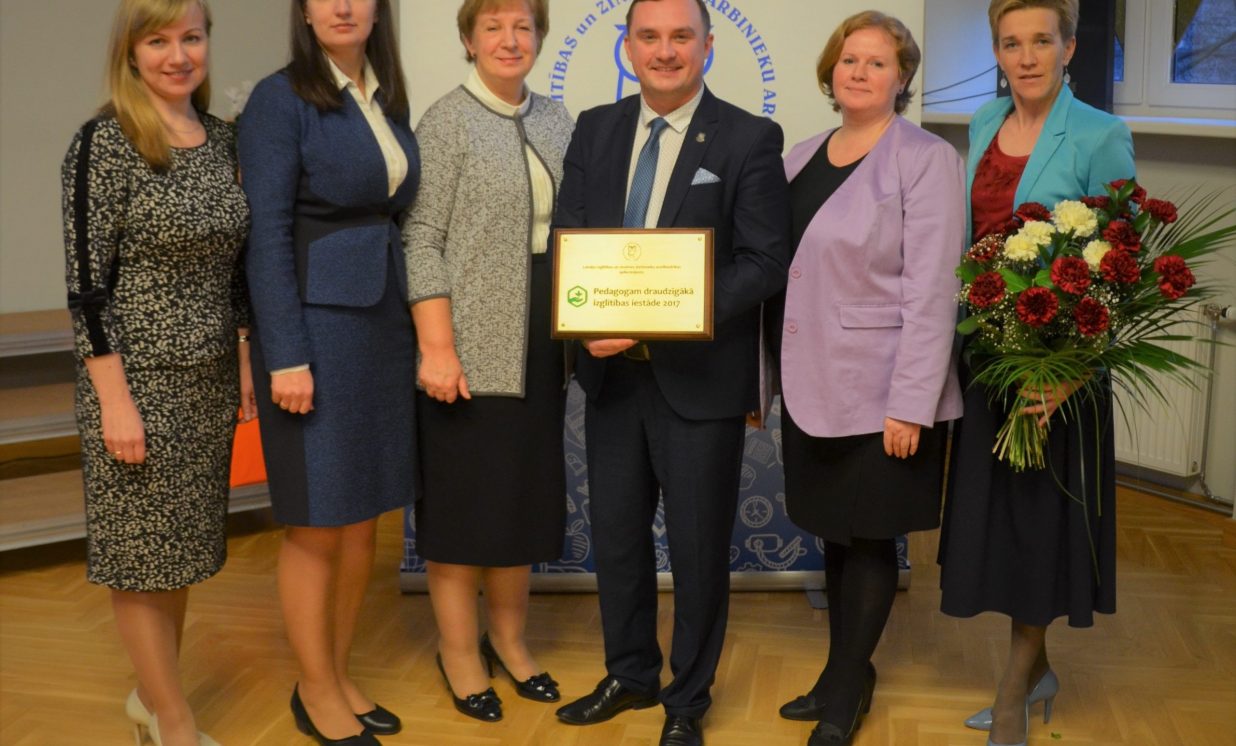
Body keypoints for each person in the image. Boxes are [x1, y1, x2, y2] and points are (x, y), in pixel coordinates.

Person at [549, 1, 790, 744]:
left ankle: (686, 701)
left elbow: (764, 262)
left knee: (696, 550)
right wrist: (587, 320)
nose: (664, 51)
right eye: (648, 37)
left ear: (707, 46)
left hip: (700, 385)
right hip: (611, 378)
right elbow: (569, 238)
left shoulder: (749, 137)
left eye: (680, 37)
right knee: (618, 542)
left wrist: (656, 315)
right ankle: (629, 674)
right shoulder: (595, 128)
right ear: (627, 47)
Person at [936, 2, 1134, 745]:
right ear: (997, 51)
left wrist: (1071, 374)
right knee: (1003, 525)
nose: (1026, 57)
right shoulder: (984, 122)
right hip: (988, 357)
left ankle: (1014, 690)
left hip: (1058, 369)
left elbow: (1123, 267)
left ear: (1069, 47)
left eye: (1041, 41)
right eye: (1011, 43)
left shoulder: (1101, 135)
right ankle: (1038, 668)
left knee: (1040, 527)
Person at [767, 11, 965, 746]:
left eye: (878, 62)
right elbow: (781, 277)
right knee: (836, 535)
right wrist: (762, 385)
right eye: (849, 59)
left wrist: (912, 403)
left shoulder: (926, 159)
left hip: (884, 393)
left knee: (873, 539)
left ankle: (847, 691)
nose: (859, 72)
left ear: (902, 78)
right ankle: (838, 674)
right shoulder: (800, 156)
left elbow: (934, 289)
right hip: (811, 385)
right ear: (831, 70)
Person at [61, 1, 251, 744]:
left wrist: (242, 357)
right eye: (159, 40)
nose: (178, 55)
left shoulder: (224, 140)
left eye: (191, 38)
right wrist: (114, 401)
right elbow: (86, 288)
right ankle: (174, 720)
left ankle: (151, 696)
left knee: (178, 554)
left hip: (207, 378)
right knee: (141, 557)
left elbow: (237, 270)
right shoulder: (104, 142)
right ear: (131, 53)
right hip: (135, 381)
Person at [238, 0, 420, 743]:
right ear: (306, 13)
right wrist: (286, 353)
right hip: (314, 333)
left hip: (382, 328)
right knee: (318, 523)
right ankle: (314, 690)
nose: (343, 6)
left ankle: (339, 675)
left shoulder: (384, 96)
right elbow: (267, 235)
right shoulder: (278, 100)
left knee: (361, 519)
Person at [401, 0, 574, 724]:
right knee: (464, 507)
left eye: (522, 26)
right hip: (467, 344)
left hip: (544, 343)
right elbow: (419, 238)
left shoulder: (558, 119)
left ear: (539, 37)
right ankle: (459, 651)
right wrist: (437, 348)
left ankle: (508, 639)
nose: (510, 39)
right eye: (493, 27)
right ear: (468, 40)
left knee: (520, 500)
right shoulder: (446, 121)